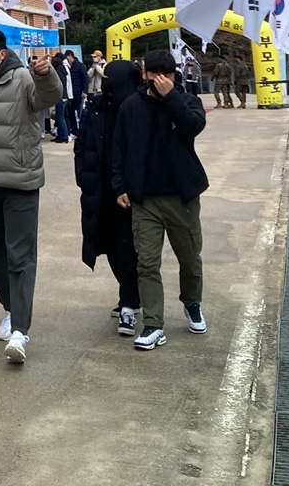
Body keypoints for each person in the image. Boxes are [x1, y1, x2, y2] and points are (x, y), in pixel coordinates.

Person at [0, 27, 62, 364]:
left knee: (20, 256)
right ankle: (8, 308)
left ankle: (20, 330)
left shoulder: (22, 79)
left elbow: (49, 97)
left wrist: (45, 75)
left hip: (21, 181)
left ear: (1, 54)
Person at [111, 49, 209, 352]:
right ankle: (153, 324)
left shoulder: (186, 101)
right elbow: (119, 148)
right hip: (145, 199)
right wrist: (119, 186)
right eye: (153, 75)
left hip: (182, 197)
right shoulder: (131, 106)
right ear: (144, 75)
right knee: (147, 263)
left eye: (165, 75)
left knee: (189, 258)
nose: (159, 81)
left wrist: (171, 98)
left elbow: (193, 127)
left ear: (174, 75)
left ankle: (192, 303)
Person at [75, 60, 142, 336]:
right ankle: (129, 295)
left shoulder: (138, 108)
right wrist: (84, 178)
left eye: (109, 78)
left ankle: (128, 304)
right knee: (109, 245)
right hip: (100, 190)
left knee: (128, 248)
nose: (105, 83)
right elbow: (82, 146)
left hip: (129, 194)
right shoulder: (96, 107)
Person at [65, 50, 89, 133]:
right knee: (70, 112)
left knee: (80, 112)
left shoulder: (80, 66)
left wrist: (85, 91)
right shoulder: (67, 66)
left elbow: (86, 79)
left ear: (71, 55)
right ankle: (74, 130)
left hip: (78, 92)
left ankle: (83, 130)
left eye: (67, 57)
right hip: (70, 93)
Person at [51, 52, 72, 144]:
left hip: (60, 96)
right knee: (61, 117)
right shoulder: (64, 70)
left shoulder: (58, 72)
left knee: (60, 117)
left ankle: (64, 136)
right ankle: (61, 135)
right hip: (65, 96)